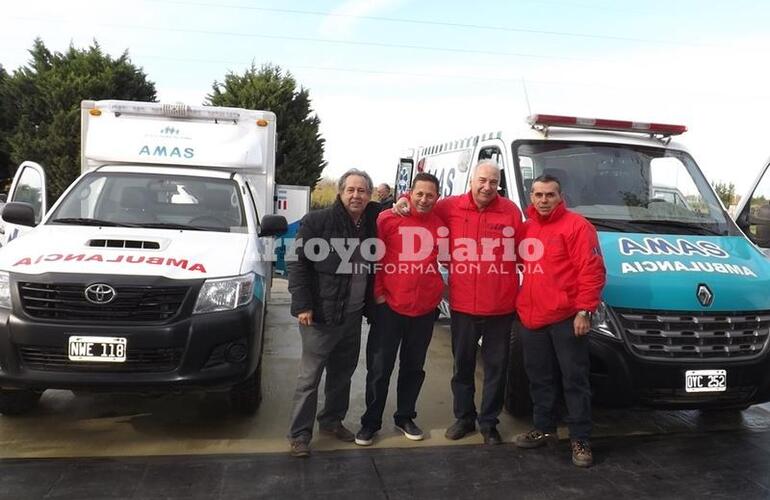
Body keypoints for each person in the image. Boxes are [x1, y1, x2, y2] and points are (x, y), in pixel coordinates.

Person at [394, 159, 523, 445]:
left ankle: (489, 422)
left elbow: (525, 253)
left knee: (496, 368)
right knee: (462, 366)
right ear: (472, 181)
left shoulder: (511, 211)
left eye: (493, 181)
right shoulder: (449, 206)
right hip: (463, 305)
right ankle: (464, 417)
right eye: (482, 180)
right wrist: (402, 200)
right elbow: (421, 202)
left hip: (501, 307)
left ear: (498, 184)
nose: (487, 186)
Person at [286, 168, 380, 458]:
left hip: (352, 316)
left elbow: (390, 209)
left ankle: (331, 421)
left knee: (343, 373)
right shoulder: (317, 221)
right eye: (350, 189)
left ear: (369, 195)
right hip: (320, 316)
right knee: (309, 377)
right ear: (340, 192)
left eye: (362, 190)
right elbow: (297, 263)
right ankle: (300, 434)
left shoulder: (370, 223)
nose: (356, 195)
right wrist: (302, 304)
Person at [513, 174, 606, 468]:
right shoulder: (526, 229)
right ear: (531, 197)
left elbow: (592, 271)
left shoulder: (578, 227)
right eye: (538, 195)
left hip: (567, 318)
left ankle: (580, 439)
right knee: (539, 378)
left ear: (560, 196)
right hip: (531, 317)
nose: (543, 200)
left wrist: (584, 311)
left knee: (574, 380)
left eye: (549, 195)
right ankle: (544, 427)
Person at [355, 173, 444, 446]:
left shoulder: (440, 224)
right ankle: (370, 422)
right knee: (380, 368)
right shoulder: (388, 219)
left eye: (430, 195)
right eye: (419, 194)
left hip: (424, 309)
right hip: (389, 308)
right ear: (409, 193)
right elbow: (377, 260)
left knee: (413, 368)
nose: (424, 199)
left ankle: (404, 416)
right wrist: (379, 296)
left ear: (437, 197)